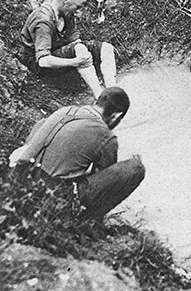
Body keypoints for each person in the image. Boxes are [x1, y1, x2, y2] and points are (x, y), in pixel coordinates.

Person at [10, 87, 145, 220]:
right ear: (116, 115)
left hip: (18, 180)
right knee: (135, 168)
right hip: (51, 198)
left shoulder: (65, 110)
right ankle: (87, 221)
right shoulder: (107, 136)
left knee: (43, 123)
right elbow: (102, 182)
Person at [20, 0, 117, 98]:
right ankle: (101, 98)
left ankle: (113, 92)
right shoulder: (43, 20)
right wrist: (74, 62)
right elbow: (43, 61)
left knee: (106, 48)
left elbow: (74, 40)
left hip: (60, 52)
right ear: (67, 0)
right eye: (78, 7)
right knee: (80, 49)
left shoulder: (66, 12)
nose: (78, 12)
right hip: (41, 65)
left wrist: (86, 52)